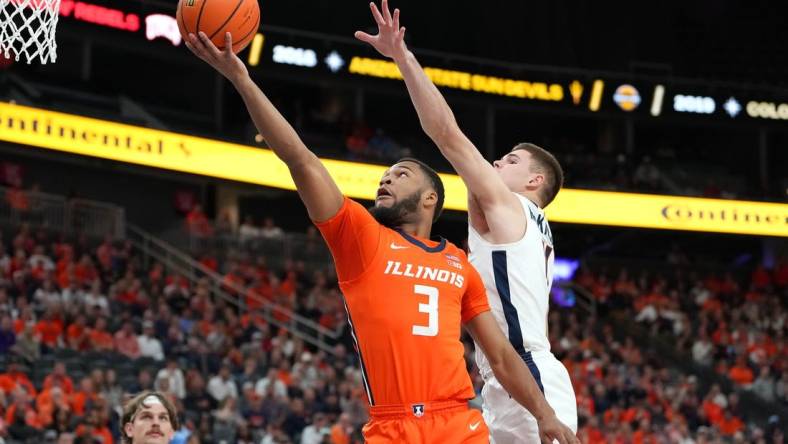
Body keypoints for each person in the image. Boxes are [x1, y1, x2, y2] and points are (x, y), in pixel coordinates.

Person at [185, 29, 577, 444]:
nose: (385, 181)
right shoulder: (366, 237)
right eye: (385, 176)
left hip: (492, 396)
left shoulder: (480, 237)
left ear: (430, 198)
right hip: (425, 413)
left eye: (400, 173)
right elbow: (301, 160)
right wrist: (243, 81)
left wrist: (403, 58)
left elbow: (447, 134)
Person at [355, 1, 578, 442]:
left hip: (522, 373)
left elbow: (446, 134)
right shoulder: (527, 223)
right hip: (512, 376)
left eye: (510, 159)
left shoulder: (509, 205)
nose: (497, 161)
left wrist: (403, 56)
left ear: (534, 180)